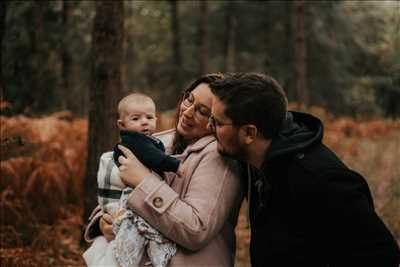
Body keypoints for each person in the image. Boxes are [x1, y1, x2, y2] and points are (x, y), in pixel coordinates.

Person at [208, 72, 400, 266]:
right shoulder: (256, 157)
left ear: (249, 132)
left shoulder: (320, 179)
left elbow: (383, 256)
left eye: (217, 122)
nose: (209, 126)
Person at [84, 74, 244, 267]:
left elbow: (196, 229)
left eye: (202, 111)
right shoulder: (160, 142)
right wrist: (105, 221)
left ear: (217, 120)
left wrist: (144, 180)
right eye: (189, 99)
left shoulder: (219, 157)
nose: (187, 112)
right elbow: (116, 190)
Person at [84, 93, 180, 267]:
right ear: (122, 125)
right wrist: (178, 166)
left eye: (149, 117)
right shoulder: (137, 142)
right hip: (128, 206)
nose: (144, 122)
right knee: (129, 246)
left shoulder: (150, 141)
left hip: (135, 206)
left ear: (156, 119)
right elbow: (156, 159)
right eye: (136, 118)